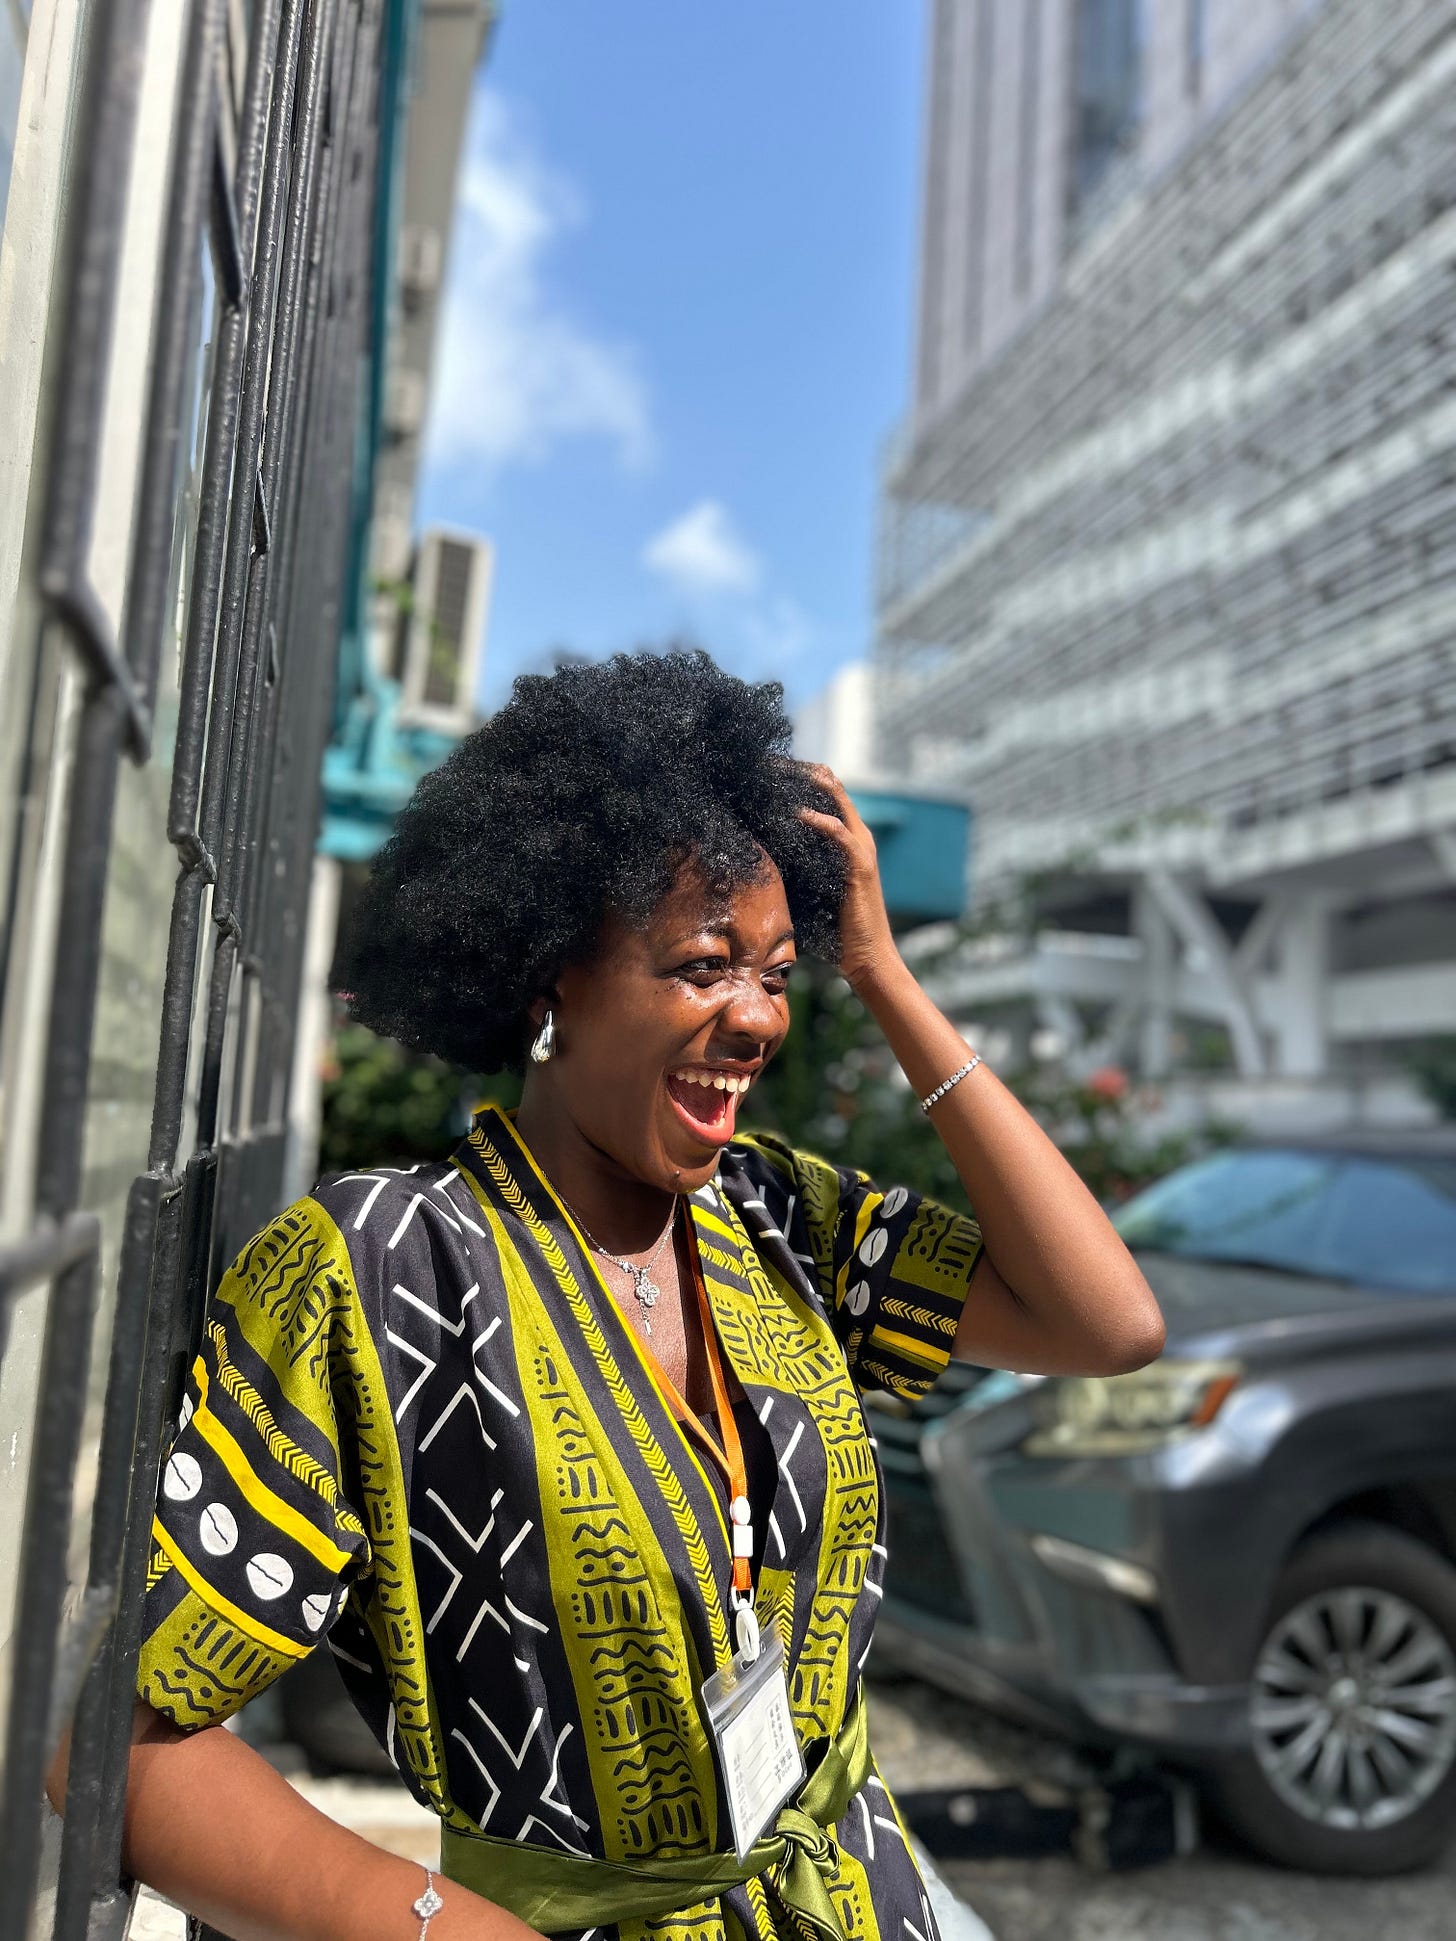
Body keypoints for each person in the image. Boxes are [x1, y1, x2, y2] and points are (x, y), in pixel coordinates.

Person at [58, 651, 1163, 1941]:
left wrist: (882, 974)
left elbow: (1105, 1323)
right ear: (550, 982)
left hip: (865, 1897)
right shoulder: (381, 1270)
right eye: (704, 964)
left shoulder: (776, 1216)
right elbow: (109, 1737)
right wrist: (445, 1928)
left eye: (778, 973)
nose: (758, 1019)